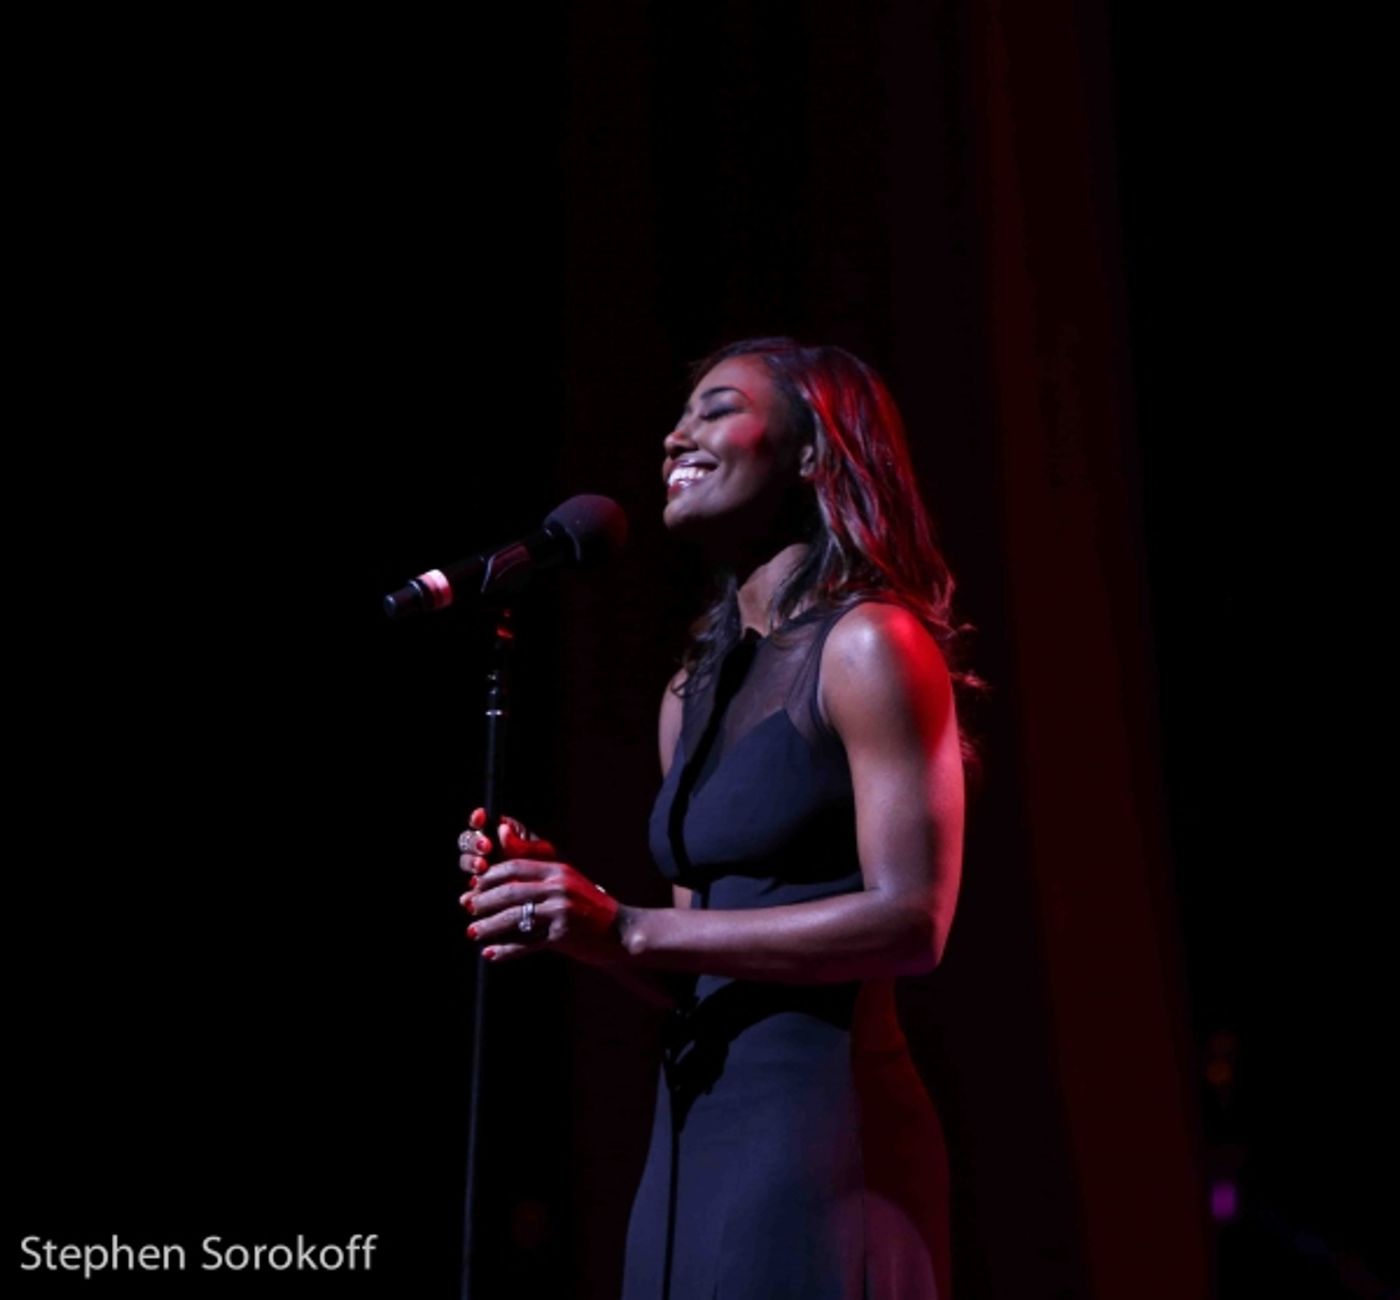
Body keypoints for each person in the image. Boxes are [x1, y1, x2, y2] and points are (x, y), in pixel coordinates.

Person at [458, 337, 978, 1299]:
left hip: (823, 1131)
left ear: (814, 452)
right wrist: (574, 913)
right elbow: (692, 959)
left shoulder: (870, 644)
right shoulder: (690, 690)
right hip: (696, 1126)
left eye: (715, 408)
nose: (674, 436)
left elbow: (914, 923)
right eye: (678, 415)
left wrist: (632, 925)